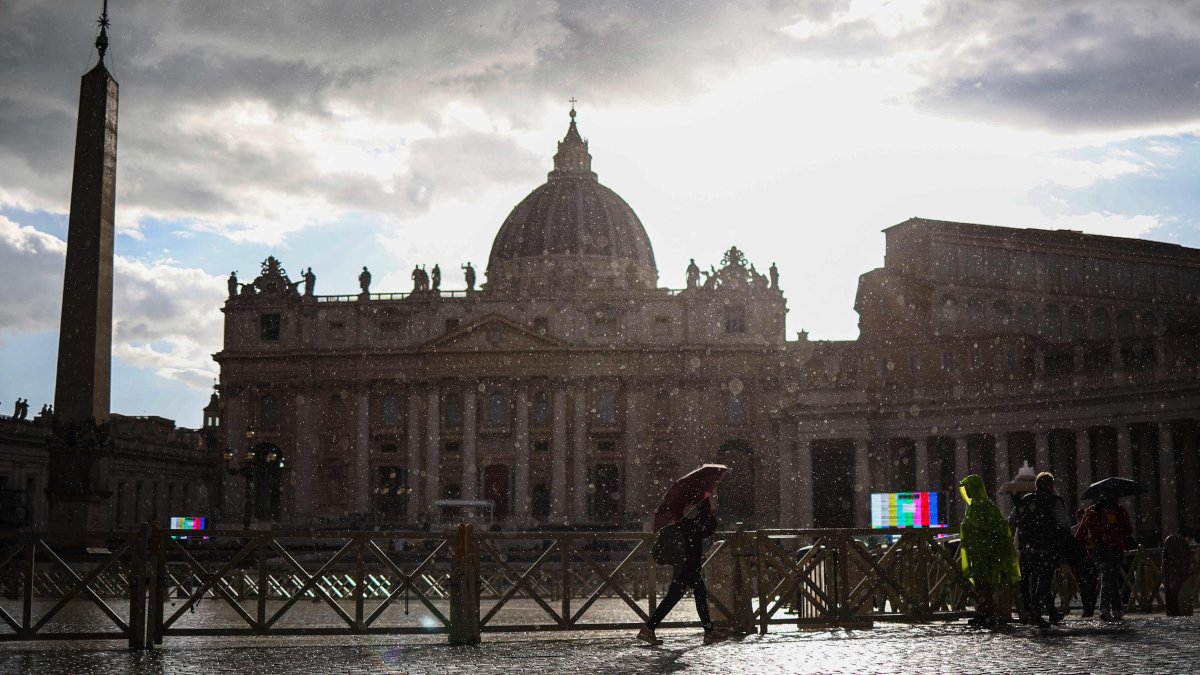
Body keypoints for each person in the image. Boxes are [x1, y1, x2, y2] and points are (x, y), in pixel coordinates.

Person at [639, 498, 723, 645]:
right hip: (689, 567)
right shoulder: (693, 524)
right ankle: (708, 632)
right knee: (692, 596)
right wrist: (712, 515)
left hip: (684, 566)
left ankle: (649, 628)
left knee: (682, 596)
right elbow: (708, 530)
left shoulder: (681, 524)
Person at [1009, 472, 1072, 626]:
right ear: (1050, 486)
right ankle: (1036, 613)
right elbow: (1064, 525)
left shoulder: (1025, 500)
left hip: (1026, 549)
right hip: (1046, 548)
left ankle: (1050, 612)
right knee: (1044, 581)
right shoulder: (1054, 501)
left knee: (1037, 580)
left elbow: (1012, 520)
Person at [959, 474, 1020, 628]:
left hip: (988, 553)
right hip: (977, 553)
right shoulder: (971, 507)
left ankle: (984, 614)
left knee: (986, 585)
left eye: (968, 488)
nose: (967, 491)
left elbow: (998, 528)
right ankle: (986, 614)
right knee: (981, 585)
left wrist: (975, 526)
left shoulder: (988, 506)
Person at [1076, 494, 1133, 621]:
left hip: (1096, 551)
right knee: (1110, 578)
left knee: (1109, 578)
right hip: (1114, 548)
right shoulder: (1119, 510)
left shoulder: (1091, 511)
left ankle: (1117, 609)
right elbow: (1128, 529)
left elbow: (1079, 534)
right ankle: (1105, 608)